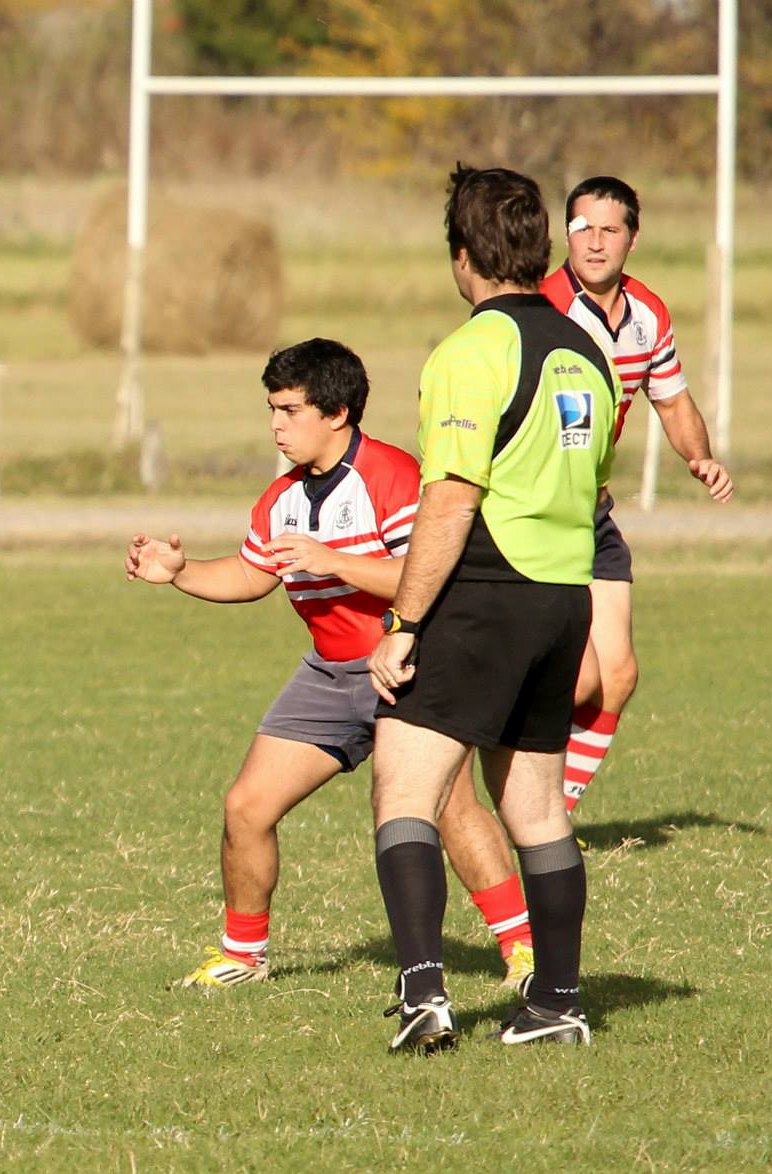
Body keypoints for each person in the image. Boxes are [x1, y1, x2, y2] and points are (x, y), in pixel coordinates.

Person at [128, 339, 534, 992]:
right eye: (272, 409)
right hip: (330, 672)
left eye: (290, 410)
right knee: (246, 807)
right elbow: (250, 574)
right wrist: (179, 573)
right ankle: (244, 954)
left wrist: (335, 561)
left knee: (449, 806)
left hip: (413, 661)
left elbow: (426, 572)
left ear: (338, 412)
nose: (276, 425)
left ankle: (524, 950)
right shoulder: (281, 497)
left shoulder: (396, 477)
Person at [367, 165, 619, 1052]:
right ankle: (556, 1001)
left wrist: (401, 626)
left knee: (404, 785)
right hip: (562, 596)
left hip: (482, 592)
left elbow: (450, 500)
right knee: (538, 808)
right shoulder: (589, 349)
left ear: (464, 256)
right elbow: (592, 488)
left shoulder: (471, 352)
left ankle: (424, 993)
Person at [540, 176, 734, 811]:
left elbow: (671, 398)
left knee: (616, 676)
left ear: (632, 237)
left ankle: (551, 818)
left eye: (609, 230)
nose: (594, 243)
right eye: (581, 229)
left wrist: (699, 456)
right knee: (578, 680)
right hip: (536, 514)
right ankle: (497, 782)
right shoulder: (543, 309)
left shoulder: (648, 312)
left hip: (591, 510)